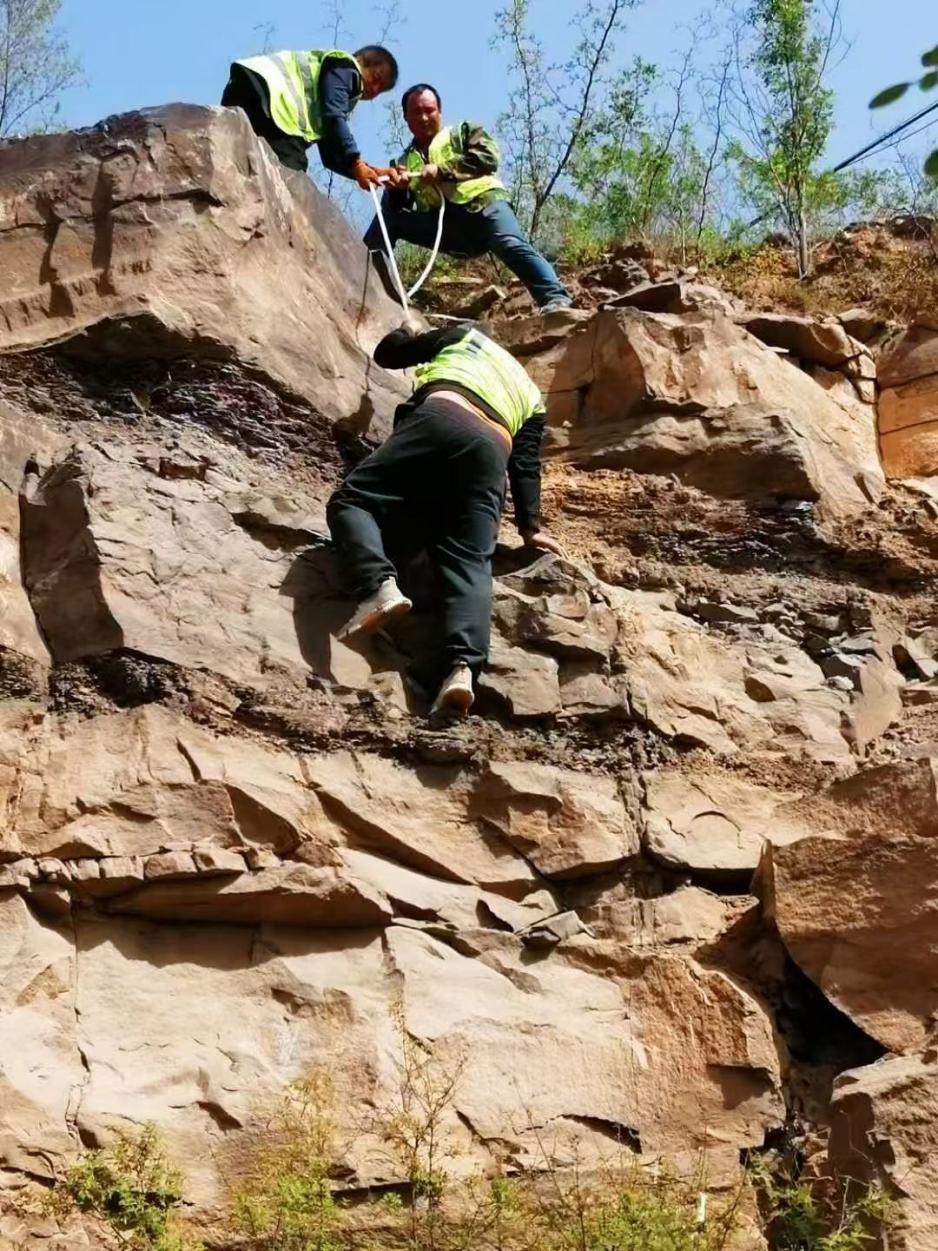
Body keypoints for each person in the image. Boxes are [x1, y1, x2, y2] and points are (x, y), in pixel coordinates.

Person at [327, 320, 562, 715]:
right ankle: (462, 669)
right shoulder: (531, 393)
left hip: (443, 416)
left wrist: (406, 330)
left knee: (353, 499)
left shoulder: (465, 335)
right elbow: (524, 465)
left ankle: (378, 586)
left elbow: (389, 354)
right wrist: (530, 528)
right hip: (492, 450)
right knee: (470, 559)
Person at [364, 83, 572, 314]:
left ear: (439, 112)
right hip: (451, 230)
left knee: (508, 243)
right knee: (388, 220)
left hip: (485, 207)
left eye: (429, 110)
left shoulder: (462, 132)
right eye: (416, 112)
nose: (423, 117)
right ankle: (364, 278)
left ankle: (555, 300)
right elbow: (396, 210)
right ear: (406, 117)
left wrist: (442, 171)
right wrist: (398, 189)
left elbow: (488, 157)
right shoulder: (403, 162)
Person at [221, 44, 404, 188]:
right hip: (271, 100)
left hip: (249, 89)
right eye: (376, 79)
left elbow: (331, 155)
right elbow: (334, 116)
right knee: (292, 176)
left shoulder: (327, 89)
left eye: (381, 90)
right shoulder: (345, 67)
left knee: (248, 165)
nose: (374, 90)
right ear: (360, 60)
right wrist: (355, 162)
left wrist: (369, 171)